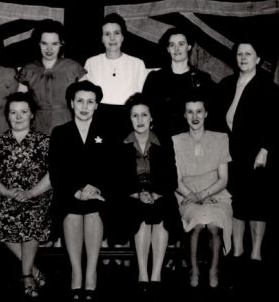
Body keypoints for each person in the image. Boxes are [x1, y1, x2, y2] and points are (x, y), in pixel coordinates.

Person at [216, 39, 279, 264]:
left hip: (256, 155)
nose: (243, 58)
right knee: (236, 203)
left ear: (258, 59)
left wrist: (265, 150)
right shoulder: (226, 84)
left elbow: (274, 123)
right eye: (239, 54)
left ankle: (255, 253)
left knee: (257, 203)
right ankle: (237, 251)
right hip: (231, 153)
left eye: (248, 54)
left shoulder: (267, 86)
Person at [50, 81, 114, 301]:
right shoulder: (60, 133)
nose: (84, 106)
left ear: (96, 105)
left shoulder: (106, 133)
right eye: (79, 101)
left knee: (94, 210)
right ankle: (76, 271)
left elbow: (111, 167)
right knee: (72, 212)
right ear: (71, 103)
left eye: (90, 101)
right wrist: (75, 190)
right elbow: (56, 170)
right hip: (69, 193)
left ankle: (91, 272)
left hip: (100, 194)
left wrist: (96, 188)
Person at [0, 92, 52, 298]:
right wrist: (7, 192)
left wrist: (31, 193)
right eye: (13, 112)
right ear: (7, 115)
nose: (18, 116)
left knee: (31, 215)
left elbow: (53, 175)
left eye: (23, 112)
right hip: (5, 195)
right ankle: (33, 270)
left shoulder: (44, 142)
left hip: (37, 196)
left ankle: (26, 276)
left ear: (32, 115)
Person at [120, 93, 179, 296]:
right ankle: (142, 275)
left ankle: (156, 275)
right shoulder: (122, 143)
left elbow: (172, 177)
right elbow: (117, 178)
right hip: (131, 194)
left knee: (161, 213)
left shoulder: (164, 142)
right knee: (141, 214)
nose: (140, 120)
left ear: (151, 117)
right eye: (135, 116)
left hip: (160, 193)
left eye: (144, 115)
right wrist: (137, 194)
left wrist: (155, 193)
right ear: (129, 118)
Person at [173, 96, 232, 288]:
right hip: (186, 195)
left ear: (206, 114)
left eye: (199, 111)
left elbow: (223, 179)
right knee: (197, 224)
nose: (195, 116)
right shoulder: (176, 141)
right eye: (190, 112)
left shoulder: (221, 138)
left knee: (214, 225)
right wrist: (195, 197)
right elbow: (176, 179)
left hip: (216, 194)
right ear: (184, 115)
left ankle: (214, 270)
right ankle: (194, 269)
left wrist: (204, 195)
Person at [83, 12, 148, 143]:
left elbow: (143, 99)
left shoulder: (137, 64)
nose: (112, 38)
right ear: (101, 38)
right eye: (107, 34)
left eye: (116, 33)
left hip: (128, 120)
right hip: (99, 120)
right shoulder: (91, 63)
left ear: (123, 37)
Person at [143, 26, 217, 139]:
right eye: (172, 45)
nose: (176, 49)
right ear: (168, 49)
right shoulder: (155, 78)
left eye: (181, 44)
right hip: (161, 141)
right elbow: (144, 111)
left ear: (189, 46)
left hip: (192, 142)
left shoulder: (202, 79)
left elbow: (211, 115)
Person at [17, 19, 86, 135]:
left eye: (54, 44)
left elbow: (86, 99)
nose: (49, 49)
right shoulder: (28, 69)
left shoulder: (74, 67)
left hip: (67, 122)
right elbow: (20, 103)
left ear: (61, 43)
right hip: (37, 124)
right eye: (44, 43)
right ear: (38, 43)